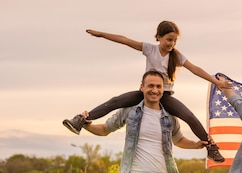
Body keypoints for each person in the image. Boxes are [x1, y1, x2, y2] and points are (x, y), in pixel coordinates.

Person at [63, 20, 231, 162]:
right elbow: (125, 40)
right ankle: (81, 120)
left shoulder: (177, 56)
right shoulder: (150, 49)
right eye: (168, 40)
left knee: (188, 116)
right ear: (158, 37)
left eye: (174, 41)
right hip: (145, 92)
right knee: (115, 101)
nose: (171, 44)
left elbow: (195, 69)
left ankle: (211, 146)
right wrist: (102, 34)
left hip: (164, 96)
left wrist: (216, 82)